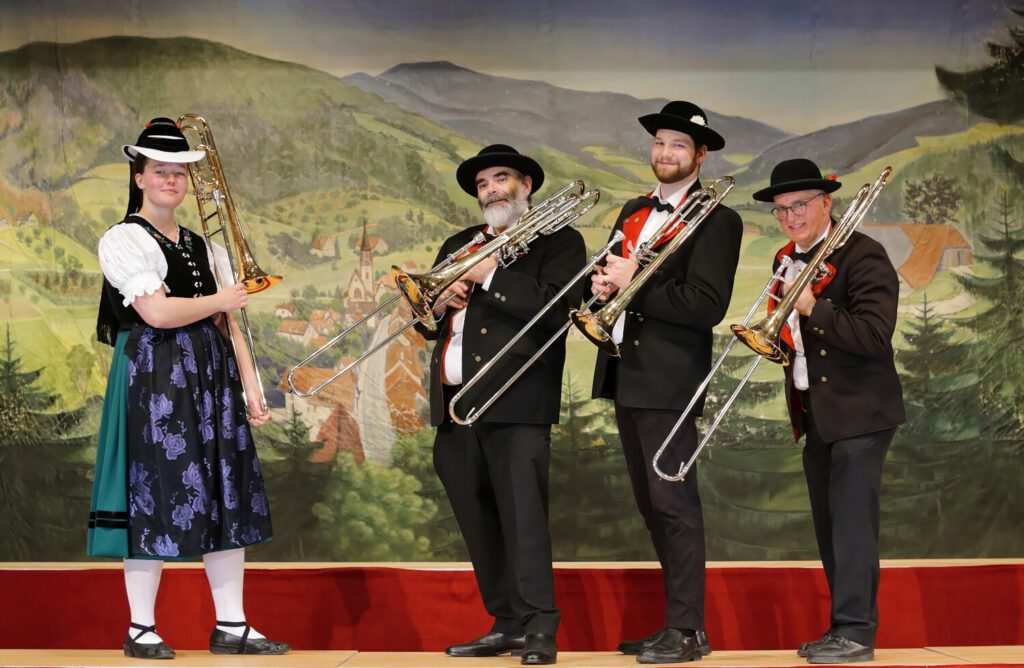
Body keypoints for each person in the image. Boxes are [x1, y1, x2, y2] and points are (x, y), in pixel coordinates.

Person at [87, 117, 289, 659]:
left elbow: (228, 323)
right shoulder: (124, 239)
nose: (171, 180)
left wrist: (250, 384)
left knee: (224, 488)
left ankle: (231, 624)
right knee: (151, 489)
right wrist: (222, 300)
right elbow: (155, 312)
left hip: (210, 372)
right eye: (160, 171)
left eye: (178, 172)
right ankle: (140, 628)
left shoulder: (204, 246)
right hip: (154, 374)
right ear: (139, 178)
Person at [415, 144, 586, 666]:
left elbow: (559, 308)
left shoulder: (560, 241)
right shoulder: (459, 243)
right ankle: (507, 623)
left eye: (501, 178)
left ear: (525, 185)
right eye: (483, 183)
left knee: (523, 521)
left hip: (516, 403)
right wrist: (437, 305)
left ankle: (539, 629)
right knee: (479, 523)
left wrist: (490, 275)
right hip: (454, 407)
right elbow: (429, 323)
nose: (491, 189)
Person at [588, 101, 743, 664]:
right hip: (626, 371)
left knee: (673, 503)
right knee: (652, 506)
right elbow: (612, 273)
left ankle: (688, 630)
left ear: (700, 156)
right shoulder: (633, 209)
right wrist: (602, 287)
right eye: (659, 143)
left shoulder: (718, 218)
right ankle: (675, 624)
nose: (665, 152)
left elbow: (706, 305)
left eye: (678, 145)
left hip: (670, 378)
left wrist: (637, 281)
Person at [752, 158, 904, 664]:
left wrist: (813, 308)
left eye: (800, 205)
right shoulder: (784, 259)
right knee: (829, 525)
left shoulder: (864, 254)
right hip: (816, 413)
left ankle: (857, 632)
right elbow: (797, 342)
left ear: (825, 204)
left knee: (852, 525)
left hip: (861, 411)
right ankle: (843, 627)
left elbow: (874, 337)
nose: (790, 217)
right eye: (781, 210)